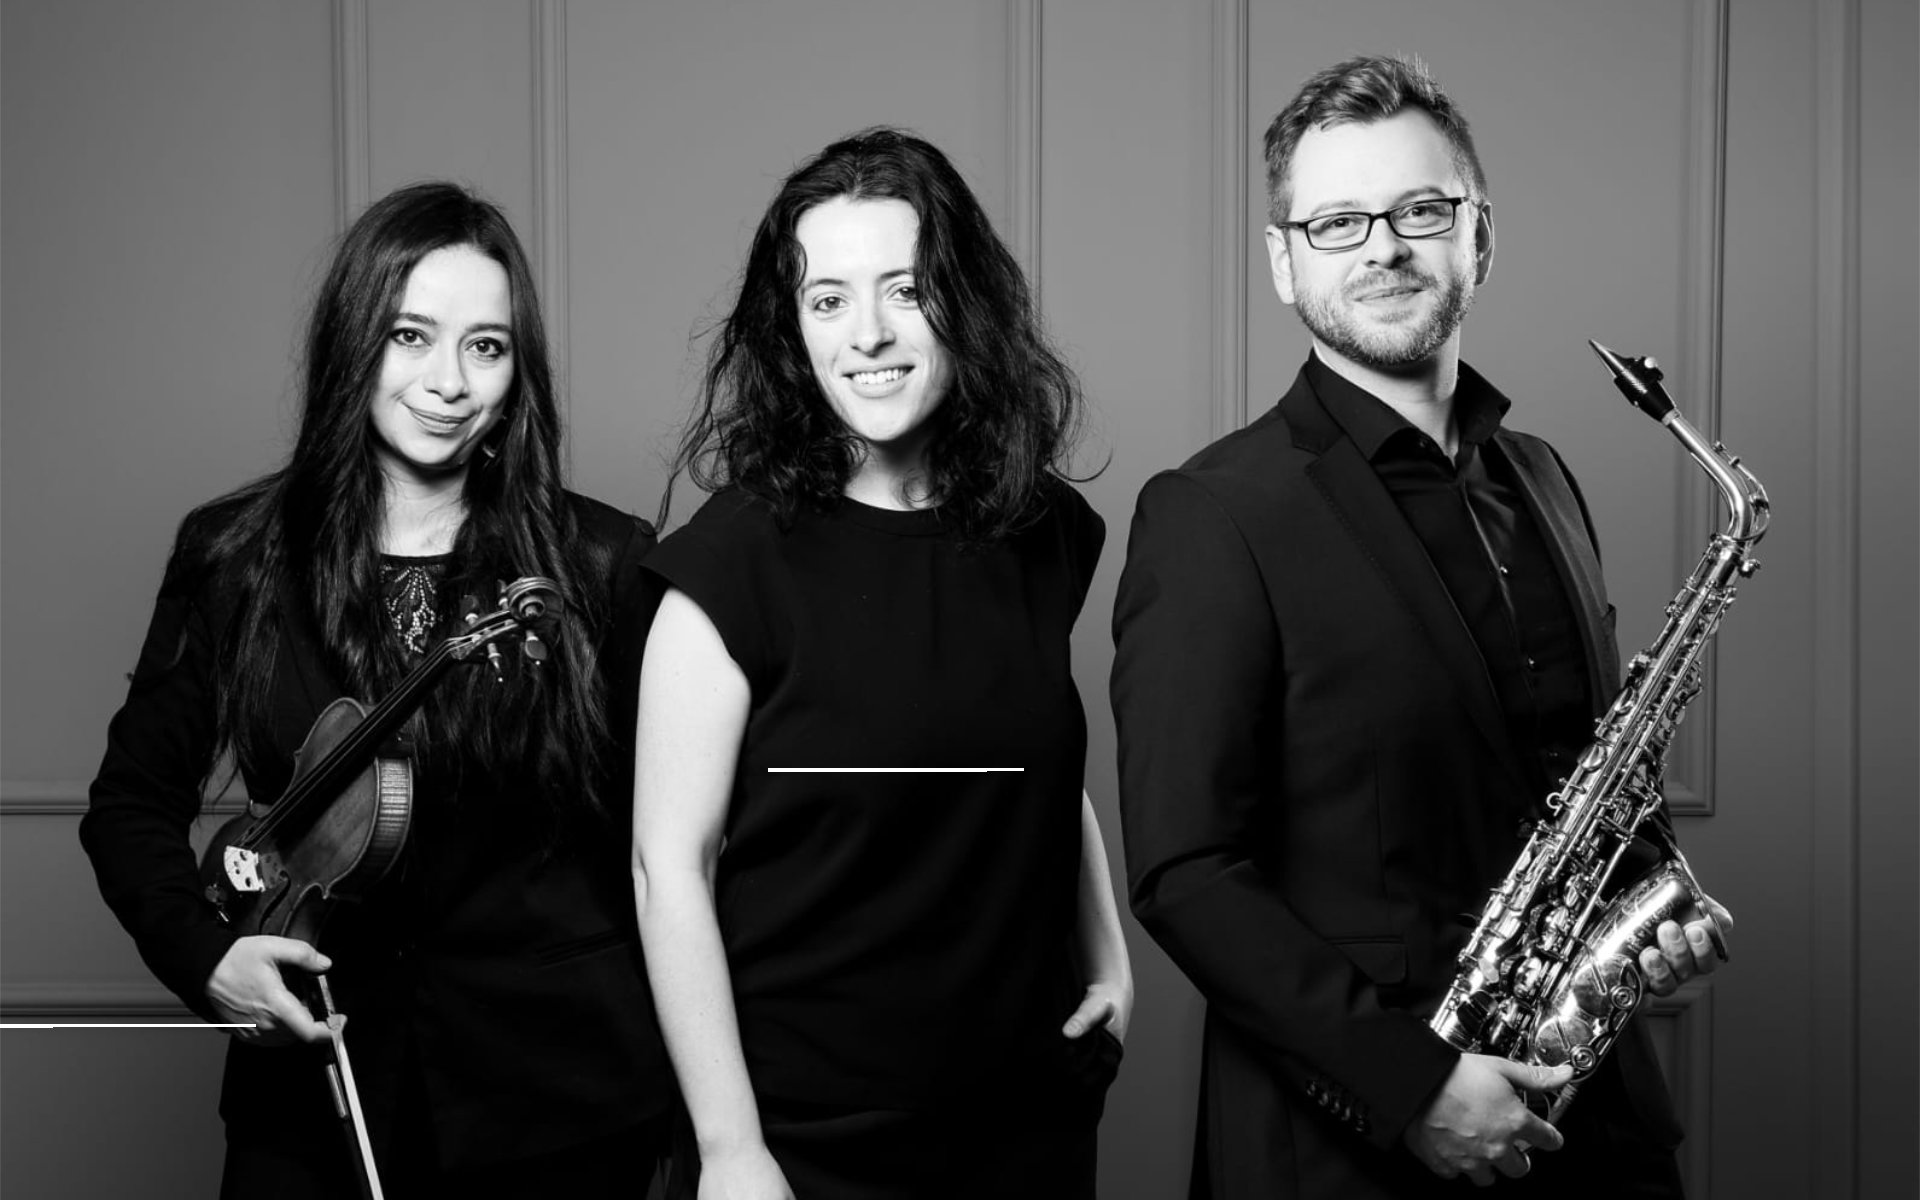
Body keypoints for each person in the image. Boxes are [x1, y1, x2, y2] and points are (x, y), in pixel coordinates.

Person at [1111, 55, 1732, 1198]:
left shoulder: (1541, 478)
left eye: (1421, 211)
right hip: (1353, 1149)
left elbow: (1584, 771)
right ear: (1284, 262)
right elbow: (1188, 873)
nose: (1383, 248)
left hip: (1591, 1128)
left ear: (1478, 237)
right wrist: (1414, 1089)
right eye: (1337, 221)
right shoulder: (1212, 513)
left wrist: (1648, 902)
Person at [81, 182, 669, 1197]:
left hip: (557, 1103)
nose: (449, 381)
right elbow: (131, 801)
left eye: (486, 347)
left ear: (518, 374)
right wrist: (205, 957)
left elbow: (668, 843)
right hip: (311, 1090)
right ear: (354, 342)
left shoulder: (598, 562)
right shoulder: (235, 556)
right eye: (410, 336)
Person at [631, 127, 1131, 1200]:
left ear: (965, 304)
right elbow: (668, 867)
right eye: (828, 301)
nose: (868, 334)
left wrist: (1111, 959)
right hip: (806, 1135)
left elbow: (1036, 765)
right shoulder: (728, 567)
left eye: (906, 291)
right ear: (792, 331)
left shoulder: (1042, 531)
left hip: (1025, 1118)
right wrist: (730, 1149)